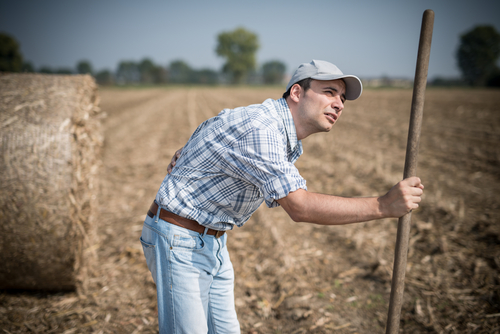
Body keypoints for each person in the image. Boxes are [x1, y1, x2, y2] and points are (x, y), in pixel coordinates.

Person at [140, 60, 424, 333]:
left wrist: (189, 152)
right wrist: (382, 205)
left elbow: (219, 121)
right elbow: (300, 207)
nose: (339, 103)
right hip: (180, 240)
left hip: (211, 241)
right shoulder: (263, 129)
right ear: (297, 93)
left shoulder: (276, 130)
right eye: (329, 92)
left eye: (342, 98)